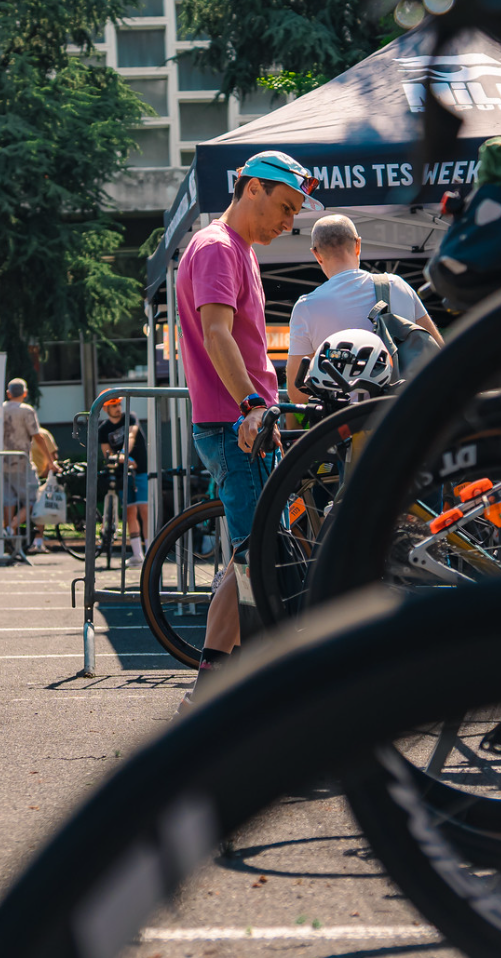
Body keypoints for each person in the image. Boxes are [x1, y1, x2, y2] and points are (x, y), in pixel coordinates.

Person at [175, 149, 321, 704]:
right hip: (235, 423)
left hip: (239, 422)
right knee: (262, 560)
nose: (289, 224)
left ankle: (209, 696)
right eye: (285, 208)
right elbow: (217, 335)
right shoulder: (217, 248)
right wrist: (250, 407)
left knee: (248, 558)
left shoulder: (235, 249)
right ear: (252, 188)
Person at [286, 214, 444, 416]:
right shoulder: (397, 286)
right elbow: (436, 349)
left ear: (316, 254)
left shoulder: (306, 307)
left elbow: (296, 393)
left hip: (346, 426)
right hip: (405, 416)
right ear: (358, 245)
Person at [96, 399, 149, 567]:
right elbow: (106, 452)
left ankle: (150, 551)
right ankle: (137, 554)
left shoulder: (130, 417)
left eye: (119, 405)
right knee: (129, 512)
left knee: (144, 510)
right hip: (122, 474)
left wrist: (125, 454)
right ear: (106, 409)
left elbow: (132, 435)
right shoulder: (103, 429)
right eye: (113, 406)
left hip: (140, 469)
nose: (118, 408)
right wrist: (118, 460)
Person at [1, 378, 40, 536]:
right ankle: (11, 528)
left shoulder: (0, 409)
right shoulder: (26, 410)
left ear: (8, 393)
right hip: (21, 462)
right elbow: (37, 435)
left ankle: (9, 536)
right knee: (33, 499)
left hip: (2, 461)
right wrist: (51, 462)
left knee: (8, 500)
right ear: (25, 393)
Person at [28, 426, 59, 554]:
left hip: (42, 475)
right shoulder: (23, 434)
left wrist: (48, 471)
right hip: (27, 476)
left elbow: (54, 455)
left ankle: (38, 542)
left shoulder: (43, 434)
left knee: (40, 509)